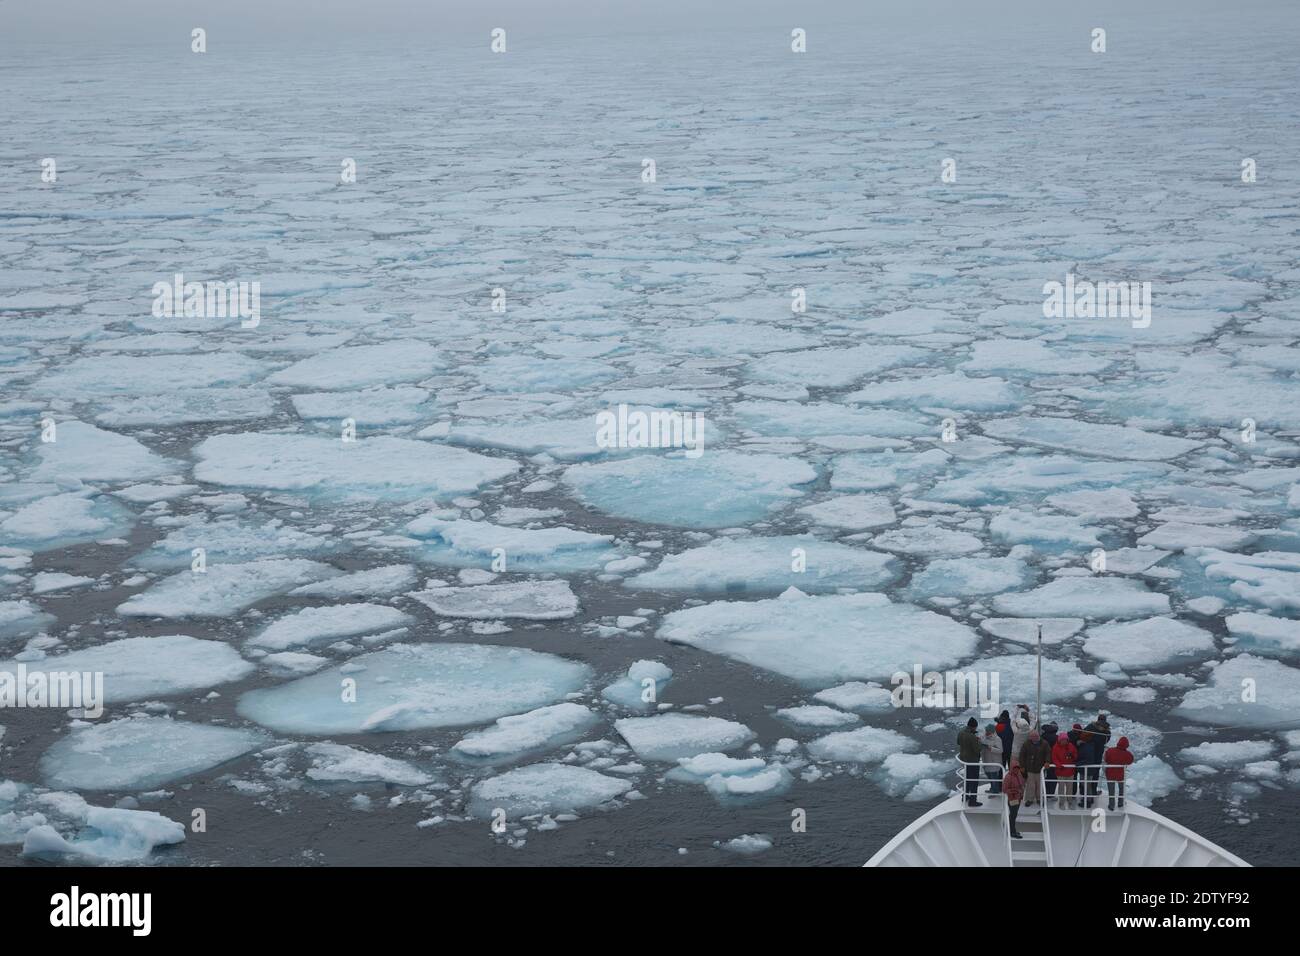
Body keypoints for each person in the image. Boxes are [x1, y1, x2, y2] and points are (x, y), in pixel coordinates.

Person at [1080, 714, 1110, 808]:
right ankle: (1092, 793)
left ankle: (1086, 797)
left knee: (1085, 778)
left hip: (1089, 755)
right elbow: (1106, 741)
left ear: (1098, 719)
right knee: (1095, 775)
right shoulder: (1107, 731)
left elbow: (1083, 735)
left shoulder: (1091, 727)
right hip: (1098, 755)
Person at [1019, 729, 1051, 807]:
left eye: (1036, 736)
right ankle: (1030, 799)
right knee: (1030, 785)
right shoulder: (1026, 744)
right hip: (1030, 768)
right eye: (1032, 736)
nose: (1034, 738)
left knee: (1039, 785)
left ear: (1038, 736)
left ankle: (1039, 799)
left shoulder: (1044, 743)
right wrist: (1022, 766)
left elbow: (1048, 753)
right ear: (1030, 737)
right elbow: (1022, 755)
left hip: (1040, 769)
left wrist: (1047, 761)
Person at [957, 717, 983, 807]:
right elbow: (977, 750)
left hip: (964, 760)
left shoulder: (961, 732)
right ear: (973, 727)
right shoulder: (972, 737)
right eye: (975, 727)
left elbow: (958, 742)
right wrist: (978, 741)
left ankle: (965, 796)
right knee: (974, 780)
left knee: (967, 779)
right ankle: (973, 801)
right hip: (972, 761)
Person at [1104, 736, 1135, 810]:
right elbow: (1130, 761)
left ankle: (1111, 806)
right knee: (1121, 789)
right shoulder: (1128, 754)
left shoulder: (1110, 750)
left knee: (1111, 791)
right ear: (1126, 745)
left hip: (1110, 774)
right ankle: (1120, 803)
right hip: (1120, 775)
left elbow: (1106, 759)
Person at [1052, 731, 1079, 810]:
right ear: (1059, 740)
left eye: (1065, 740)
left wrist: (1073, 756)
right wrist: (1059, 765)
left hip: (1070, 772)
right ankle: (1061, 803)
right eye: (1062, 740)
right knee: (1061, 788)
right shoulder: (1055, 747)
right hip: (1060, 772)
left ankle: (1070, 801)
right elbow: (1054, 758)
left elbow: (1076, 755)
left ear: (1067, 740)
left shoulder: (1071, 746)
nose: (1064, 741)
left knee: (1069, 788)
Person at [1003, 760, 1026, 839]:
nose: (1016, 769)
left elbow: (1022, 784)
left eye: (1017, 768)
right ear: (1011, 768)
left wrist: (1021, 793)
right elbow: (1004, 789)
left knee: (1014, 814)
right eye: (1015, 768)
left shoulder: (1019, 775)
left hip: (1018, 798)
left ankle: (1011, 830)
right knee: (1013, 815)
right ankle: (1012, 831)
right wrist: (1015, 791)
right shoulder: (1008, 777)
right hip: (1012, 799)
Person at [981, 723, 1003, 794]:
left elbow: (1000, 750)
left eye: (988, 731)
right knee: (989, 776)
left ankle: (995, 791)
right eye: (986, 730)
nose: (986, 732)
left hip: (994, 762)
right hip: (986, 761)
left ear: (992, 731)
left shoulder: (997, 739)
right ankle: (992, 788)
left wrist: (991, 748)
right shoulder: (984, 737)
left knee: (994, 778)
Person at [1041, 722, 1059, 797]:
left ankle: (1043, 792)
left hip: (1042, 760)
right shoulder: (1056, 738)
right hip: (1053, 760)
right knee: (1052, 777)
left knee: (1043, 776)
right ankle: (1050, 794)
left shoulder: (1043, 736)